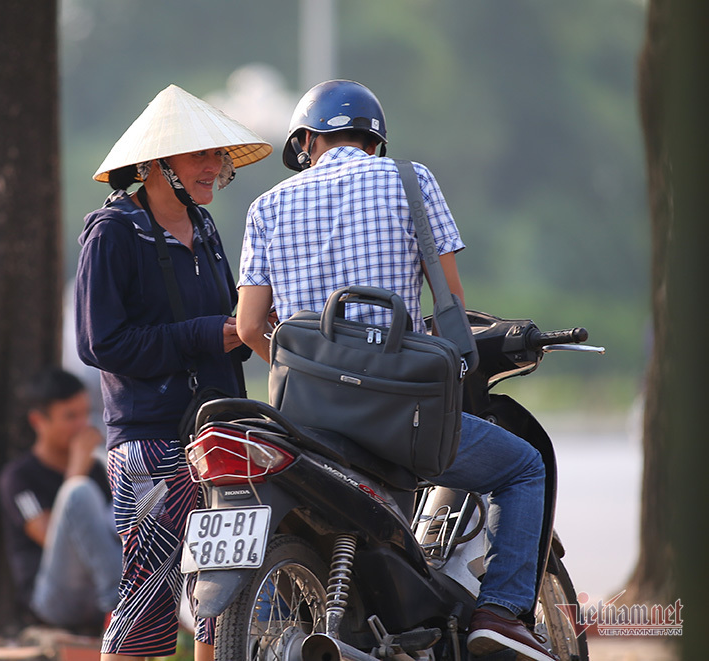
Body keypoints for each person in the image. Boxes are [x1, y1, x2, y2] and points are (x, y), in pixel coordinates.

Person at [236, 80, 558, 661]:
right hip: (396, 417)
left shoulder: (267, 206)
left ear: (306, 140)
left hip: (303, 423)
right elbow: (450, 303)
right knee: (523, 468)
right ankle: (501, 615)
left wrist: (310, 373)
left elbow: (251, 324)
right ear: (373, 142)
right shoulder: (410, 181)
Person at [75, 84, 271, 661]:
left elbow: (235, 319)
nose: (216, 167)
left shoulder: (205, 229)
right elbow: (99, 343)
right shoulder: (112, 232)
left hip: (220, 432)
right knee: (147, 598)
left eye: (218, 156)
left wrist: (248, 329)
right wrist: (212, 333)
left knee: (222, 596)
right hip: (151, 440)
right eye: (201, 156)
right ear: (158, 165)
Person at [0, 367, 122, 632]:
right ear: (38, 421)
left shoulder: (96, 470)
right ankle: (124, 604)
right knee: (79, 493)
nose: (82, 425)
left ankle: (135, 601)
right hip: (53, 599)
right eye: (70, 416)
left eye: (85, 414)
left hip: (94, 590)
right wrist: (76, 470)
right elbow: (50, 537)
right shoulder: (18, 478)